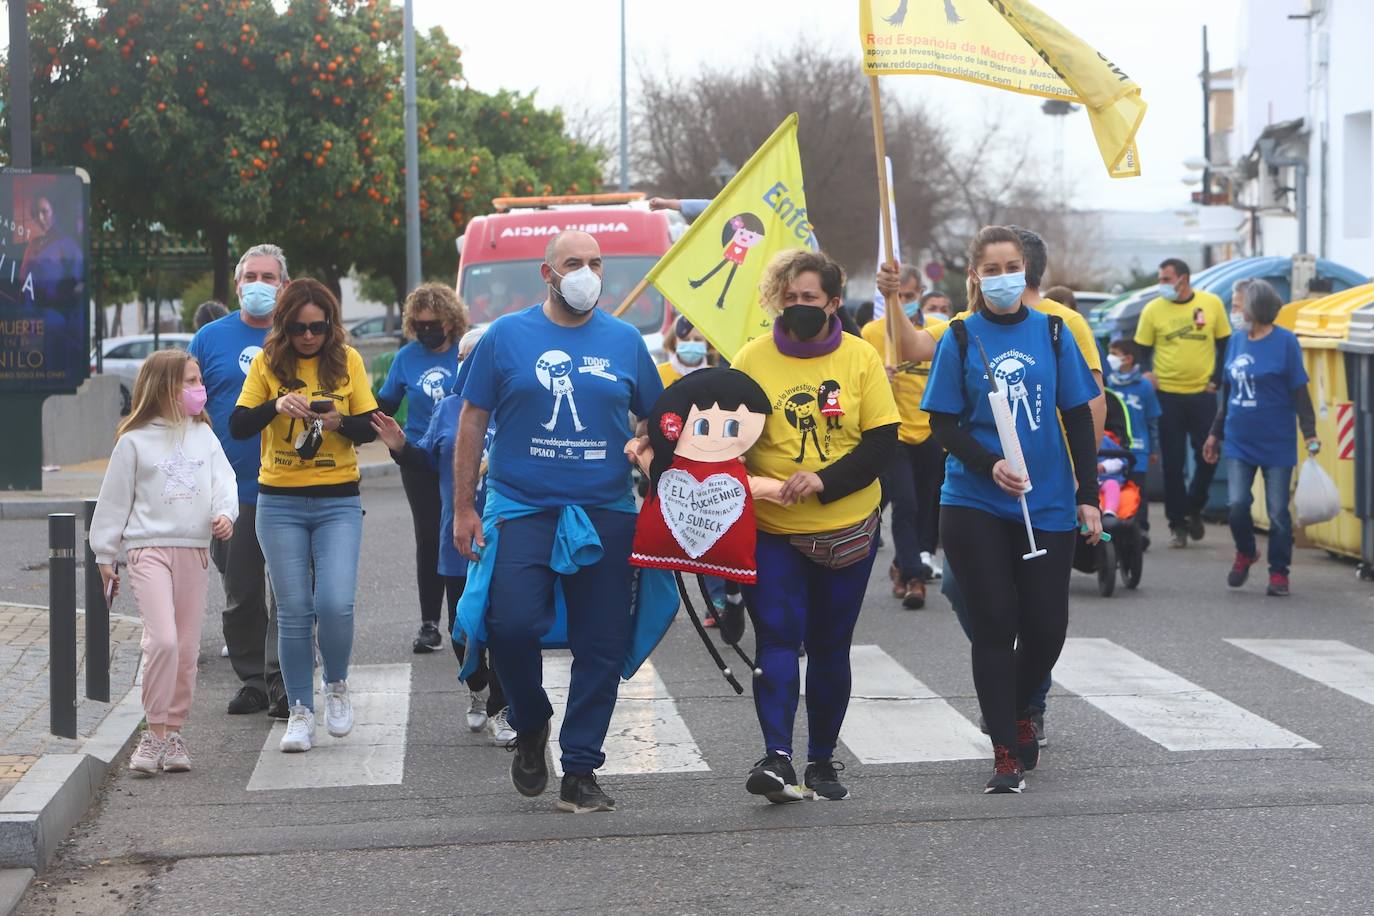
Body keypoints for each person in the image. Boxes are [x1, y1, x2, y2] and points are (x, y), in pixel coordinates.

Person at [452, 230, 663, 813]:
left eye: (595, 263)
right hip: (522, 508)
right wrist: (464, 507)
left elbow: (655, 418)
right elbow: (472, 421)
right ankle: (530, 718)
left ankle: (580, 769)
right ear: (548, 274)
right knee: (511, 626)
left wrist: (644, 443)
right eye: (575, 263)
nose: (587, 273)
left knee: (601, 643)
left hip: (606, 511)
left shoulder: (625, 341)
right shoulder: (506, 337)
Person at [920, 226, 1101, 794]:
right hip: (975, 501)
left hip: (1046, 499)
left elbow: (1076, 414)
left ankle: (1022, 704)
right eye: (992, 268)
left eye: (1012, 266)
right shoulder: (960, 337)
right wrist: (987, 463)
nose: (1003, 277)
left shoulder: (1052, 331)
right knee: (994, 622)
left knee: (1047, 628)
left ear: (1026, 271)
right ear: (975, 276)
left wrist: (1088, 495)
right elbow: (943, 423)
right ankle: (1004, 748)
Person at [732, 249, 899, 803]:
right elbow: (723, 437)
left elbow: (881, 442)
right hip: (771, 528)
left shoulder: (860, 359)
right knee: (777, 636)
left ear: (832, 302)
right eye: (790, 297)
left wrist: (823, 480)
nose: (799, 306)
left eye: (811, 298)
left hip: (847, 529)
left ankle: (822, 760)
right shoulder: (751, 359)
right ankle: (776, 757)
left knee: (830, 645)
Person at [230, 279, 379, 753]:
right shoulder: (266, 362)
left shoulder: (347, 361)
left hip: (338, 499)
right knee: (294, 611)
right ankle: (299, 709)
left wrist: (339, 421)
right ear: (284, 325)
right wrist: (276, 404)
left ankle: (336, 686)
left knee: (335, 602)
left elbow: (369, 429)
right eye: (299, 328)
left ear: (331, 325)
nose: (309, 337)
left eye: (318, 327)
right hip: (279, 502)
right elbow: (237, 426)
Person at [90, 350, 238, 775]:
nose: (199, 389)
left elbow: (225, 481)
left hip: (193, 549)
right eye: (189, 382)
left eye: (199, 380)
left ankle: (174, 731)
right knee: (164, 642)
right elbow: (114, 500)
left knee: (187, 648)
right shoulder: (133, 442)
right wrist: (106, 555)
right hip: (147, 550)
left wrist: (226, 514)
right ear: (164, 387)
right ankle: (153, 733)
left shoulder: (203, 436)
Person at [373, 327, 511, 741]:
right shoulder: (450, 407)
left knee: (506, 624)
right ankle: (476, 686)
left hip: (506, 530)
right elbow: (428, 462)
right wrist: (400, 447)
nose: (470, 364)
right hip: (459, 534)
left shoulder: (515, 404)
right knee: (462, 628)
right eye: (464, 357)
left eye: (479, 356)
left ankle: (502, 708)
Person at [187, 244, 288, 718]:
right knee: (242, 592)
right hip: (232, 490)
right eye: (250, 276)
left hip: (291, 485)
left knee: (289, 592)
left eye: (268, 277)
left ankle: (282, 677)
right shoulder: (209, 339)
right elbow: (188, 404)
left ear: (284, 285)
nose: (259, 285)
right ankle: (253, 678)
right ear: (236, 283)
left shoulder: (299, 335)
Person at [1203, 278, 1319, 597]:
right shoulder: (1236, 342)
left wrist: (1309, 433)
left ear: (1256, 307)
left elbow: (1299, 391)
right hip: (1239, 438)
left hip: (1277, 441)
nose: (1234, 312)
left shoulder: (1285, 343)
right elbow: (1228, 393)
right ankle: (1246, 551)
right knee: (1237, 504)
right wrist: (1214, 434)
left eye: (1238, 306)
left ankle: (1279, 571)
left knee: (1279, 513)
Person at [376, 283, 468, 653]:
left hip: (462, 457)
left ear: (450, 320)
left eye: (434, 323)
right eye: (420, 324)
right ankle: (430, 623)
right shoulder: (408, 357)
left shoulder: (466, 353)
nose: (426, 329)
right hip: (418, 455)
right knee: (430, 537)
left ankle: (463, 619)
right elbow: (385, 401)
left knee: (461, 534)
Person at [861, 265, 946, 609]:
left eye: (910, 296)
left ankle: (903, 564)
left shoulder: (938, 332)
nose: (905, 302)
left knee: (928, 507)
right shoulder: (872, 333)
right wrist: (878, 378)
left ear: (921, 294)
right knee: (906, 504)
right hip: (893, 434)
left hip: (930, 432)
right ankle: (913, 576)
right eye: (898, 296)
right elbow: (859, 386)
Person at [1134, 257, 1230, 548]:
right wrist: (1147, 372)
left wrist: (1216, 380)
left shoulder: (1211, 304)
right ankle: (1178, 524)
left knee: (1208, 455)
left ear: (1183, 279)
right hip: (1167, 397)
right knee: (1172, 464)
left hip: (1203, 394)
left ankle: (1194, 506)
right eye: (1160, 278)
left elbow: (1224, 343)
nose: (1161, 284)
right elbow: (1141, 350)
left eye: (1166, 279)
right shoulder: (1152, 310)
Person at [1106, 338, 1161, 540]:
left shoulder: (1144, 387)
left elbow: (1152, 420)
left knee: (1138, 490)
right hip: (1113, 448)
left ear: (1128, 359)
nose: (1109, 358)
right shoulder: (1109, 383)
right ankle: (1116, 526)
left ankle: (1140, 529)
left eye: (1114, 353)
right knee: (1115, 486)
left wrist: (1153, 449)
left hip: (1139, 449)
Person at [657, 315, 715, 388]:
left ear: (707, 343)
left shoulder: (715, 376)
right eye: (685, 339)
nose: (691, 343)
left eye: (697, 339)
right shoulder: (658, 374)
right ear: (674, 342)